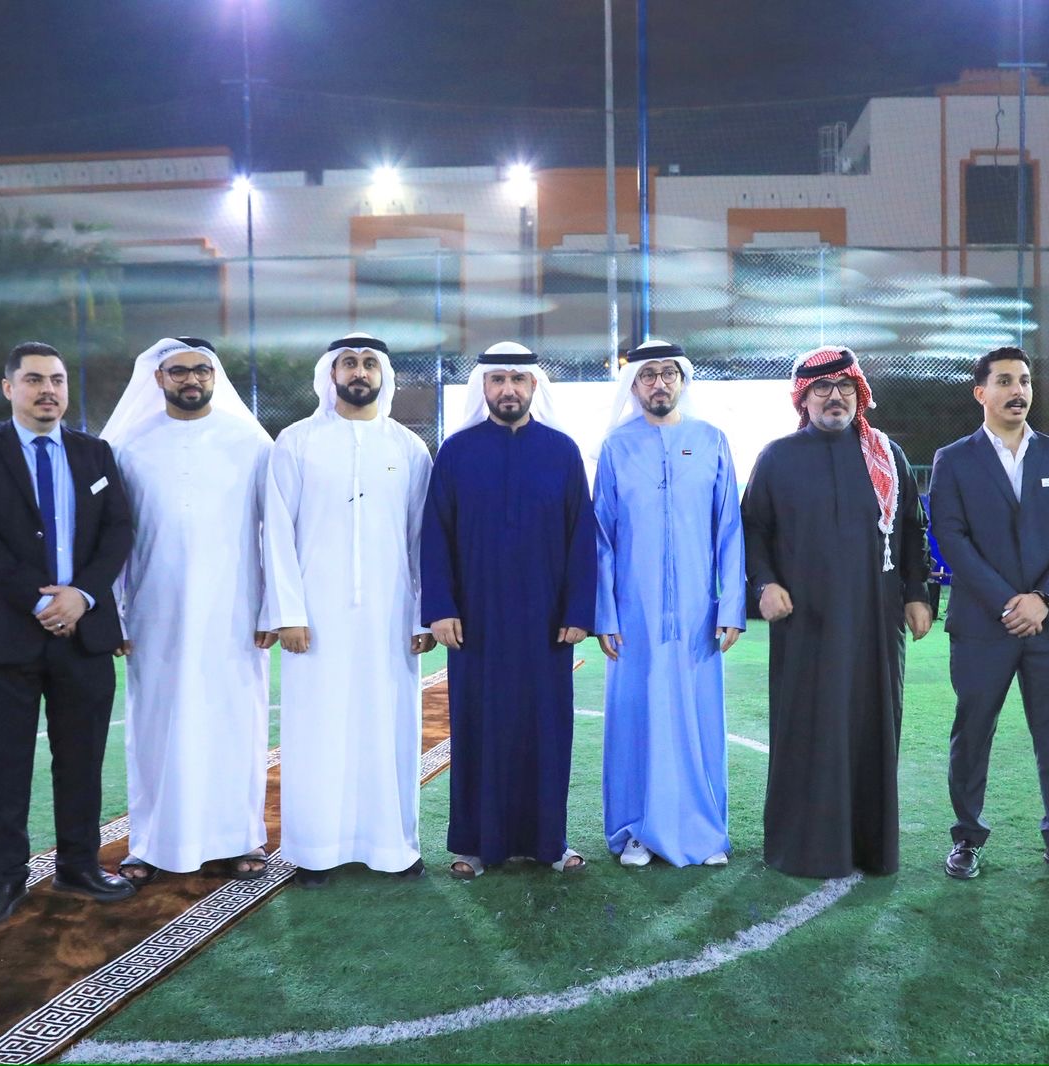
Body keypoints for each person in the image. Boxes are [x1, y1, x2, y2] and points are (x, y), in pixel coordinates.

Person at [0, 341, 135, 928]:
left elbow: (118, 531)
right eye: (33, 380)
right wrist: (39, 600)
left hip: (84, 632)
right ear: (9, 388)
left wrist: (82, 596)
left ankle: (78, 865)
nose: (47, 390)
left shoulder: (95, 452)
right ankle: (5, 878)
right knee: (5, 763)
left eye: (56, 379)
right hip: (6, 632)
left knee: (81, 759)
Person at [740, 345, 933, 879]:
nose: (835, 397)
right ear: (803, 399)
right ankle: (805, 848)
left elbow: (913, 528)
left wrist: (917, 593)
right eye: (822, 388)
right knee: (808, 726)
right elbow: (753, 528)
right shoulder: (777, 457)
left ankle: (870, 848)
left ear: (858, 393)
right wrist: (765, 584)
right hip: (805, 620)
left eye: (844, 387)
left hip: (876, 620)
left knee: (873, 725)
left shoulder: (886, 455)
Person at [99, 337, 275, 887]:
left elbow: (275, 531)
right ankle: (151, 843)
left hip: (235, 611)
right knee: (156, 726)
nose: (191, 379)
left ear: (215, 376)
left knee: (235, 723)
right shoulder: (128, 445)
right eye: (179, 371)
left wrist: (273, 607)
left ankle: (240, 838)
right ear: (158, 378)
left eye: (202, 369)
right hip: (154, 612)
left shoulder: (250, 442)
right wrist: (113, 614)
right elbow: (110, 537)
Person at [928, 346, 1049, 885]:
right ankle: (967, 838)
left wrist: (1043, 599)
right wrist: (1010, 601)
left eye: (1024, 381)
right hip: (984, 625)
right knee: (972, 733)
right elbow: (951, 537)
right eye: (1005, 381)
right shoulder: (953, 459)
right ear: (980, 392)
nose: (1018, 391)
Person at [264, 333, 435, 886]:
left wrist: (421, 615)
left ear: (382, 374)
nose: (359, 372)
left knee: (389, 728)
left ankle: (393, 847)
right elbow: (277, 532)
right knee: (317, 731)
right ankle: (314, 852)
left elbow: (420, 538)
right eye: (348, 363)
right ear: (330, 374)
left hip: (390, 615)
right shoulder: (296, 441)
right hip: (315, 619)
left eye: (368, 363)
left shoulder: (408, 447)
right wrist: (288, 612)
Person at [421, 341, 596, 879]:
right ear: (484, 388)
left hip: (546, 621)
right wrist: (441, 607)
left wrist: (578, 610)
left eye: (518, 379)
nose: (508, 389)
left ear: (533, 386)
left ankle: (549, 843)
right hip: (476, 622)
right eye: (498, 380)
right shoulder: (456, 451)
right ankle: (475, 844)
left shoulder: (561, 451)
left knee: (546, 728)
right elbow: (435, 534)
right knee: (479, 727)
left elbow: (581, 536)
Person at [593, 339, 745, 868]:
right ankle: (635, 830)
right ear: (634, 385)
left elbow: (730, 529)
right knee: (636, 719)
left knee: (698, 720)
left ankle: (703, 832)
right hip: (632, 616)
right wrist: (605, 614)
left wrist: (731, 606)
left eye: (668, 374)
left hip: (698, 613)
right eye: (648, 375)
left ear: (681, 380)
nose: (659, 383)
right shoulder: (616, 447)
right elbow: (601, 537)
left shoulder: (711, 440)